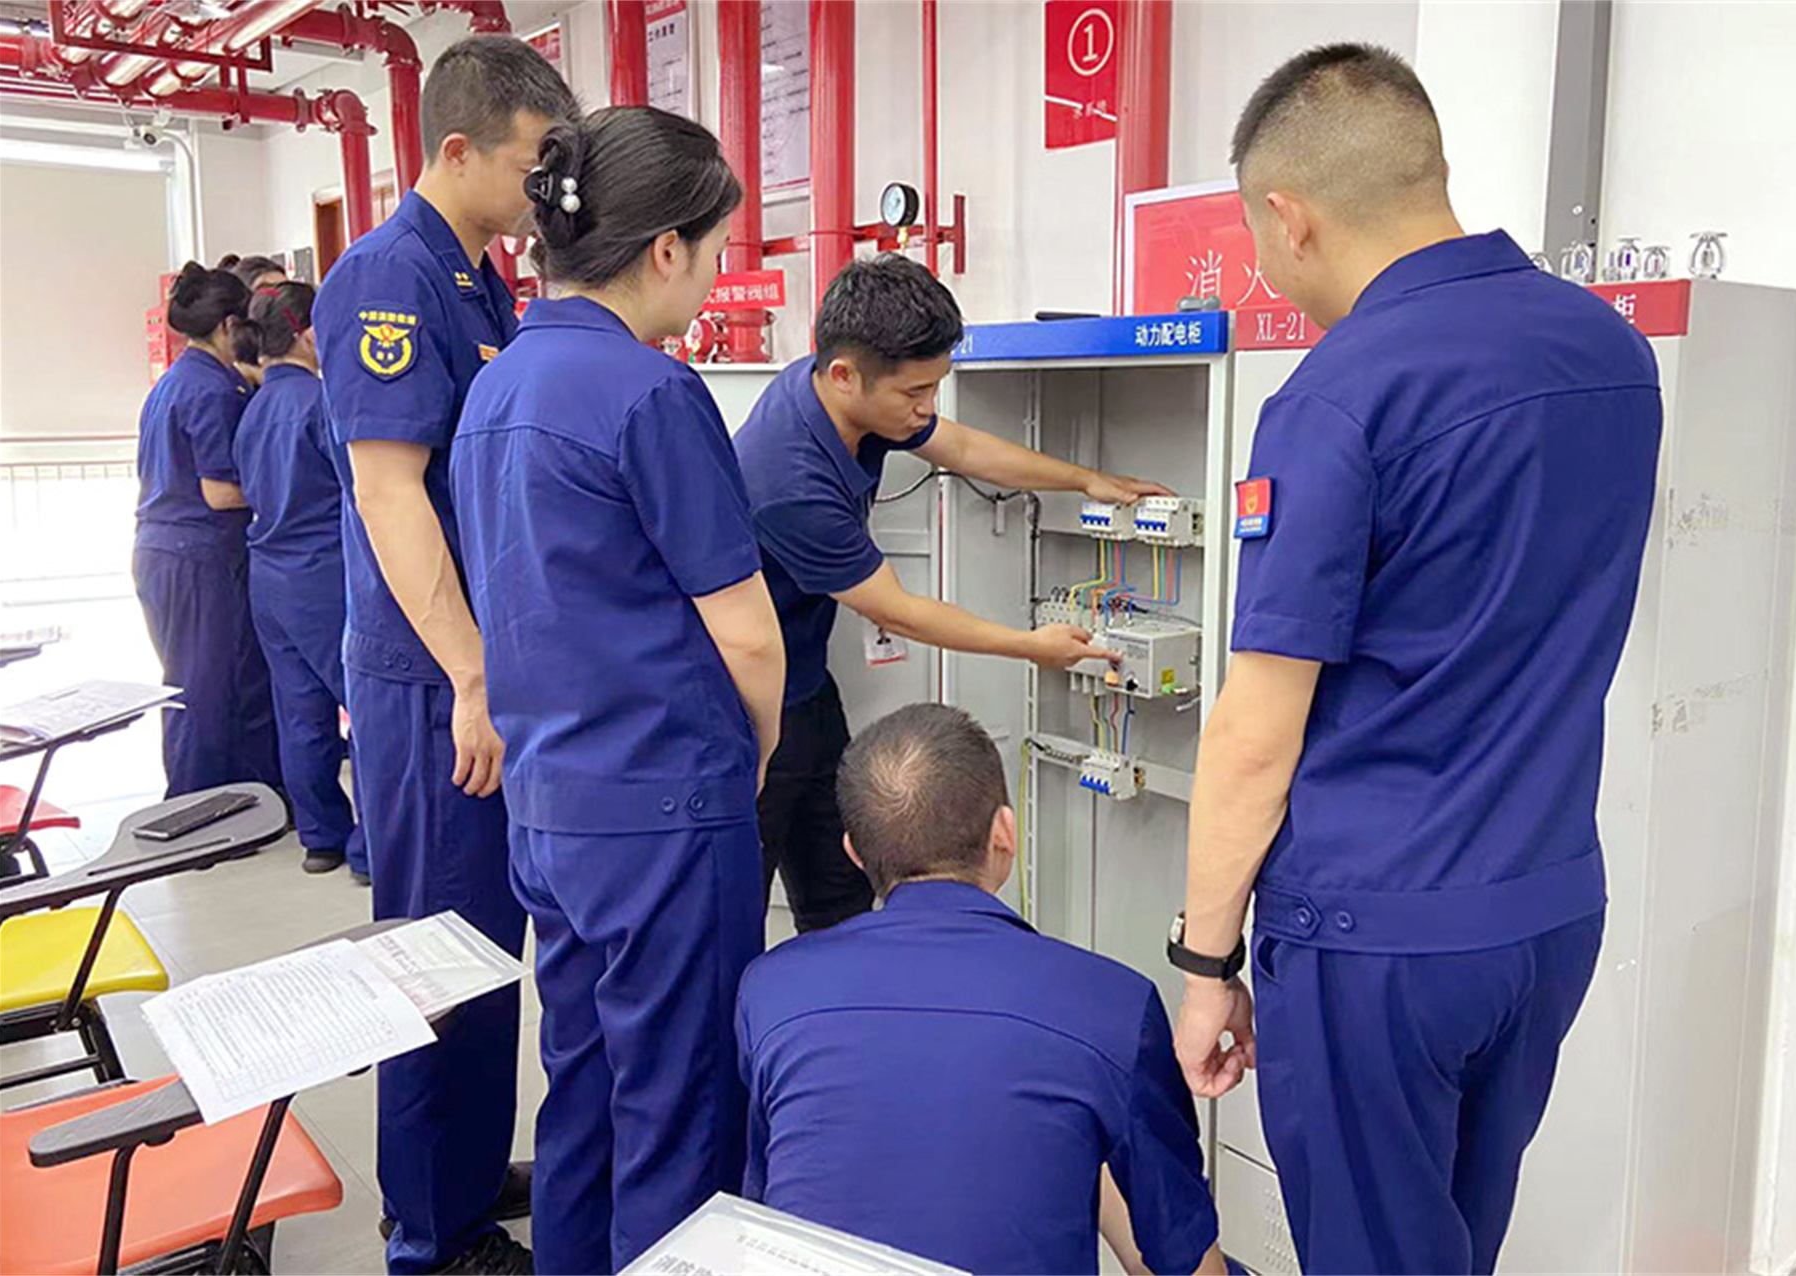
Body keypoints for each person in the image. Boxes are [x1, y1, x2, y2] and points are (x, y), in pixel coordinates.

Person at [1169, 45, 1661, 1274]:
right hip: (1547, 907)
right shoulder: (1612, 354)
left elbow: (1255, 733)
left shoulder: (1338, 397)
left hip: (1377, 931)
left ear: (1290, 216)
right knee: (1452, 1242)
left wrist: (1206, 964)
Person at [453, 105, 784, 1274]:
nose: (713, 278)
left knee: (586, 1087)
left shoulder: (497, 386)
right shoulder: (650, 393)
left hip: (551, 810)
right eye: (714, 251)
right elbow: (746, 634)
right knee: (682, 1110)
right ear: (665, 248)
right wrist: (754, 751)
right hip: (664, 812)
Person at [311, 35, 578, 1276]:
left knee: (483, 946)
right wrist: (472, 675)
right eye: (532, 165)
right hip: (431, 678)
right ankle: (430, 1234)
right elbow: (389, 493)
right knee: (436, 953)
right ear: (459, 149)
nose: (544, 192)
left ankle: (461, 1175)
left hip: (477, 664)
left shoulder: (476, 280)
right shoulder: (388, 275)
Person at [733, 256, 1171, 933]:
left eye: (935, 387)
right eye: (916, 392)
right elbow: (897, 611)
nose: (927, 407)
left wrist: (1087, 480)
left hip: (806, 684)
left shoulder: (838, 390)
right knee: (736, 904)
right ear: (845, 375)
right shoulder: (788, 479)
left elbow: (961, 447)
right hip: (745, 702)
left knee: (841, 894)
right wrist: (1031, 646)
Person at [736, 703, 1226, 1276]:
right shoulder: (1113, 1005)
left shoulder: (771, 988)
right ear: (1005, 834)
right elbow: (1183, 1257)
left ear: (854, 853)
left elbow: (764, 1200)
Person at [231, 282, 366, 882]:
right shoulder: (323, 401)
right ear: (309, 333)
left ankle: (321, 838)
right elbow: (363, 486)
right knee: (365, 708)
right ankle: (371, 847)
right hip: (322, 573)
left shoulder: (253, 406)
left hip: (269, 576)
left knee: (300, 712)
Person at [133, 262, 280, 797]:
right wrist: (287, 490)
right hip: (196, 556)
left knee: (203, 680)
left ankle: (230, 799)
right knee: (205, 690)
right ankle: (192, 807)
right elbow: (220, 492)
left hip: (165, 549)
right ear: (228, 326)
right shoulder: (214, 392)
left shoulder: (179, 380)